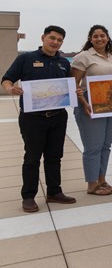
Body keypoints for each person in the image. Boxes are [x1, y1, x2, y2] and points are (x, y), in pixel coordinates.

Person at [2, 25, 77, 212]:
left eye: (59, 40)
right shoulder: (26, 59)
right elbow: (7, 79)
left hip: (58, 117)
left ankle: (54, 191)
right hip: (32, 119)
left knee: (54, 156)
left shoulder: (63, 63)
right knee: (32, 158)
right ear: (43, 37)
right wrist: (10, 88)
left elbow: (66, 86)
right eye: (52, 38)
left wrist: (75, 92)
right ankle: (28, 196)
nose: (55, 42)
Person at [72, 25, 112, 196]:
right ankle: (92, 184)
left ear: (107, 37)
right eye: (95, 36)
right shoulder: (83, 57)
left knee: (106, 145)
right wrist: (83, 102)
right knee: (93, 146)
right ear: (90, 39)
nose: (99, 39)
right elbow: (73, 84)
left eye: (102, 35)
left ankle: (102, 180)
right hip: (91, 103)